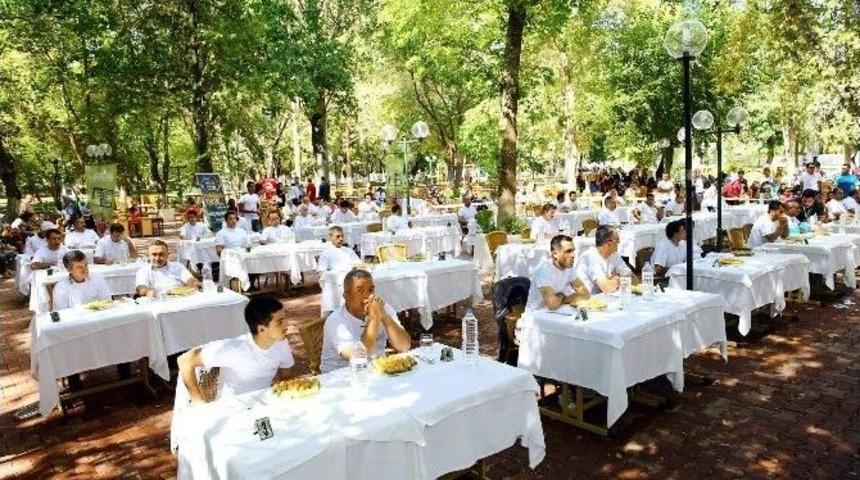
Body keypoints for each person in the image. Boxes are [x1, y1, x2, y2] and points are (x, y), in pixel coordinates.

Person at [178, 296, 294, 402]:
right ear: (262, 329)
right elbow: (185, 361)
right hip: (232, 407)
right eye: (280, 322)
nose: (286, 325)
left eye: (285, 319)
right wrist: (198, 401)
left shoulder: (281, 343)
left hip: (265, 402)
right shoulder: (234, 349)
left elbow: (286, 377)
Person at [320, 269, 410, 373]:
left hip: (376, 370)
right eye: (360, 290)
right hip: (341, 376)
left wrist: (384, 316)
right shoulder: (336, 322)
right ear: (346, 296)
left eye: (371, 290)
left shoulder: (382, 308)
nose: (368, 295)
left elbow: (404, 346)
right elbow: (359, 356)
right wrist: (374, 319)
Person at [525, 235, 590, 310]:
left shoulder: (568, 267)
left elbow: (585, 293)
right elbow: (552, 304)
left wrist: (561, 298)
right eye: (568, 251)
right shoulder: (543, 270)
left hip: (558, 310)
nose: (573, 255)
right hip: (537, 315)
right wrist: (563, 295)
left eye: (573, 251)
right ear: (555, 254)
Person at [575, 225, 637, 294]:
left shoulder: (614, 254)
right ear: (609, 242)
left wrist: (613, 280)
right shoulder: (590, 257)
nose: (619, 242)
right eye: (617, 239)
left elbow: (634, 280)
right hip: (587, 299)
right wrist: (618, 277)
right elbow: (607, 288)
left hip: (603, 297)